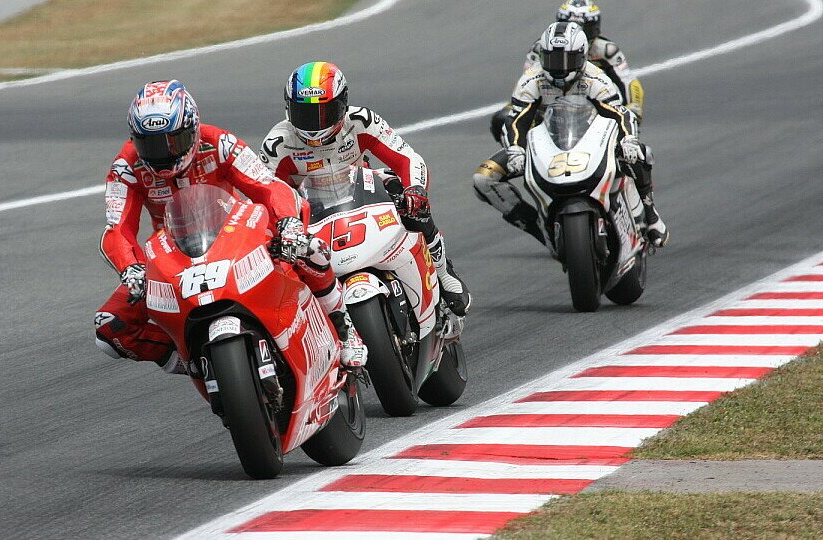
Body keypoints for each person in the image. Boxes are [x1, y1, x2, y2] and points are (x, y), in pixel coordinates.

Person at [94, 80, 366, 373]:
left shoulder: (219, 143)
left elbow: (268, 186)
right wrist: (130, 268)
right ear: (135, 139)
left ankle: (343, 327)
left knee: (310, 249)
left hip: (236, 234)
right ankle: (193, 361)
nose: (164, 154)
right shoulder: (126, 167)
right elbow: (117, 229)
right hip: (173, 254)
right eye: (151, 144)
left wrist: (288, 223)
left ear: (193, 128)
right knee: (110, 328)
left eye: (174, 141)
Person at [259, 61, 472, 316]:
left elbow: (407, 158)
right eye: (305, 114)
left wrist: (415, 189)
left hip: (363, 192)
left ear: (343, 104)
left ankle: (442, 271)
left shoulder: (361, 120)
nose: (315, 124)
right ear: (288, 109)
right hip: (310, 211)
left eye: (324, 112)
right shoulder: (277, 144)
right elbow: (265, 195)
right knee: (281, 252)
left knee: (405, 194)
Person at [474, 22, 669, 248]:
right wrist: (516, 149)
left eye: (567, 60)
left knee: (641, 154)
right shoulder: (531, 79)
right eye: (552, 59)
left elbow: (619, 113)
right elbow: (517, 118)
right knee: (484, 178)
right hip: (544, 140)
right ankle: (540, 229)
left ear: (582, 57)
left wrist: (628, 140)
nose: (559, 67)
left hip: (592, 138)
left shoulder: (596, 78)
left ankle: (650, 212)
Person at [490, 0, 645, 143]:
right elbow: (527, 82)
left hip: (591, 105)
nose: (579, 32)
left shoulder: (606, 49)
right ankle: (522, 154)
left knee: (628, 120)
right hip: (548, 105)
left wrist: (632, 107)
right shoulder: (542, 48)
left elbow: (628, 81)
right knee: (503, 119)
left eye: (586, 28)